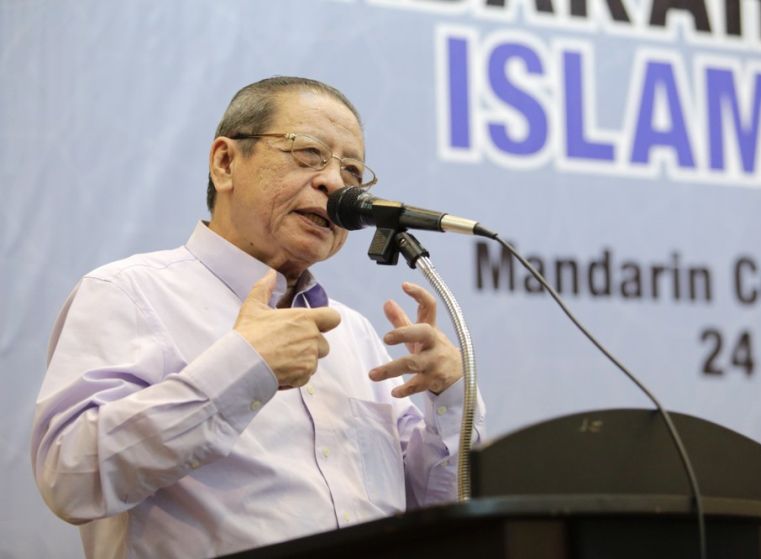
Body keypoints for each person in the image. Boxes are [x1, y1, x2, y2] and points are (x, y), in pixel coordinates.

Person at [31, 76, 485, 559]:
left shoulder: (352, 333)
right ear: (225, 162)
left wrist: (451, 397)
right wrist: (244, 367)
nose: (335, 184)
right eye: (308, 153)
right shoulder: (128, 292)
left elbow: (438, 515)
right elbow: (70, 477)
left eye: (352, 171)